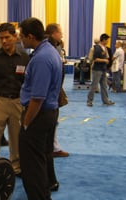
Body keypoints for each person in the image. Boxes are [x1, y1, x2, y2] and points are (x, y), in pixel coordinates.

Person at [15, 17, 62, 200]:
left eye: (21, 36)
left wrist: (26, 123)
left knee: (31, 164)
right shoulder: (49, 51)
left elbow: (38, 98)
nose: (19, 39)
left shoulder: (42, 58)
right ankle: (44, 199)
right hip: (48, 114)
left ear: (30, 36)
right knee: (41, 160)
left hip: (38, 115)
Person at [0, 23, 29, 176]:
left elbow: (27, 82)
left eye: (7, 37)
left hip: (18, 102)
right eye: (1, 38)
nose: (4, 41)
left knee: (16, 137)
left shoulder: (24, 57)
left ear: (15, 37)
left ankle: (16, 166)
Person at [45, 23, 69, 158]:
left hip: (55, 89)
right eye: (60, 32)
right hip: (51, 92)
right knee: (51, 120)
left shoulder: (54, 47)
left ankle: (53, 147)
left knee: (53, 120)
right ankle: (52, 148)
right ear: (54, 33)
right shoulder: (50, 48)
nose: (62, 35)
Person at [86, 33, 115, 107]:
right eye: (107, 40)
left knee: (104, 86)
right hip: (97, 69)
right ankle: (89, 101)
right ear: (104, 40)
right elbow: (95, 59)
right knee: (94, 85)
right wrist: (104, 60)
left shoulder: (105, 48)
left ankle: (105, 100)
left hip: (103, 69)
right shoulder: (97, 48)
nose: (108, 41)